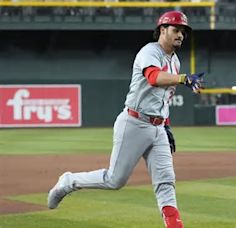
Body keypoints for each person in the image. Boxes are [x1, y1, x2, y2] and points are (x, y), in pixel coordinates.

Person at [47, 10, 204, 228]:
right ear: (162, 30)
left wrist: (166, 126)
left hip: (157, 128)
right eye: (176, 30)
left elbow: (164, 98)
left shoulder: (175, 61)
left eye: (183, 32)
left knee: (166, 182)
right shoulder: (150, 51)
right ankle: (68, 181)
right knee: (115, 180)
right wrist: (183, 78)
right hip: (134, 123)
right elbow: (153, 78)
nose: (180, 35)